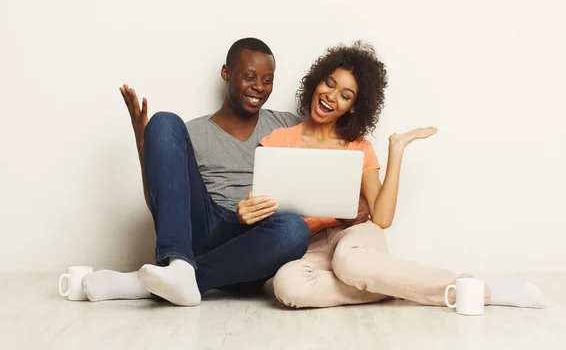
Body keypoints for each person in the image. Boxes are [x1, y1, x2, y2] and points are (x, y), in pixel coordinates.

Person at [259, 41, 546, 309]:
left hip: (354, 236)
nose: (331, 97)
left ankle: (477, 291)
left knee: (351, 264)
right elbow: (263, 206)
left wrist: (396, 150)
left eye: (345, 95)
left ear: (353, 107)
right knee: (286, 285)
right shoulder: (277, 140)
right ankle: (393, 284)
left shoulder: (359, 147)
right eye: (329, 84)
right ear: (317, 81)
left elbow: (382, 219)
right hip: (310, 243)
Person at [82, 38, 367, 306]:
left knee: (294, 230)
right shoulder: (189, 133)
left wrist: (356, 206)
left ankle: (161, 281)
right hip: (202, 228)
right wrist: (144, 143)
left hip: (253, 247)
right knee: (164, 121)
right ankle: (179, 264)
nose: (258, 87)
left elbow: (334, 177)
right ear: (226, 73)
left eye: (267, 81)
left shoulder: (289, 125)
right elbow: (161, 204)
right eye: (249, 77)